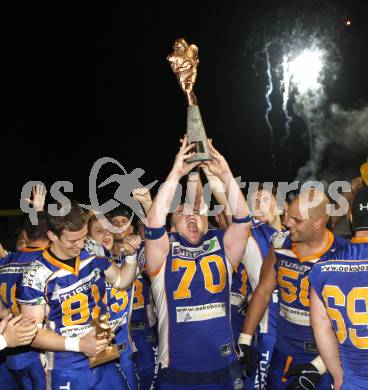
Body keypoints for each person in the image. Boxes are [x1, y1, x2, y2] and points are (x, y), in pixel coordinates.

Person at [145, 137, 251, 388]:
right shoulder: (163, 250)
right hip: (178, 370)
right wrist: (176, 173)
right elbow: (153, 222)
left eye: (196, 213)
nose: (191, 215)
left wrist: (225, 173)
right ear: (172, 225)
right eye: (182, 213)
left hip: (224, 365)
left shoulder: (221, 244)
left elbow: (243, 220)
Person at [18, 201, 139, 389]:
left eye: (83, 237)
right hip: (67, 366)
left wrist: (131, 257)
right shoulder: (36, 274)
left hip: (104, 356)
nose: (81, 244)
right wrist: (79, 344)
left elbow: (122, 281)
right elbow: (30, 334)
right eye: (73, 241)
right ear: (52, 236)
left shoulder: (92, 251)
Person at [239, 189, 347, 390]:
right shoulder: (280, 243)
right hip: (284, 350)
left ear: (318, 222)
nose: (287, 223)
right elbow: (263, 291)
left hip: (326, 357)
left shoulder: (344, 255)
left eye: (296, 220)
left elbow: (351, 322)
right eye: (288, 215)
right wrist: (244, 339)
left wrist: (319, 366)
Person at [309, 185, 368, 389]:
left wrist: (337, 375)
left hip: (352, 380)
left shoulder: (322, 268)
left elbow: (321, 326)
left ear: (351, 216)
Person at [0, 211, 49, 389]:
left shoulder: (5, 261)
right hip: (40, 347)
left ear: (25, 234)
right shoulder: (47, 261)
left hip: (11, 346)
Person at [167, 38, 199, 106]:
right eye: (178, 48)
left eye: (181, 47)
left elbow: (196, 59)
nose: (180, 49)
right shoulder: (172, 57)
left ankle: (191, 109)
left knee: (188, 90)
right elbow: (175, 70)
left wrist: (195, 63)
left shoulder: (191, 49)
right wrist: (186, 67)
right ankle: (195, 105)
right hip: (181, 77)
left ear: (185, 45)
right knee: (187, 92)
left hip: (191, 73)